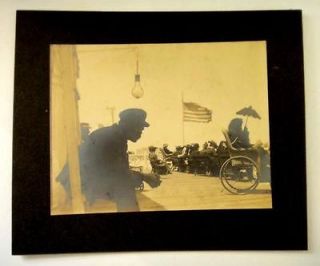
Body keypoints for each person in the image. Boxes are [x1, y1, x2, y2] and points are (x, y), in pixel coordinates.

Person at [57, 108, 161, 212]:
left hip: (84, 178)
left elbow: (120, 170)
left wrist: (143, 177)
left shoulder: (116, 136)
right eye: (139, 128)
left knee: (124, 187)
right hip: (77, 182)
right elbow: (119, 174)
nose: (141, 132)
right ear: (128, 125)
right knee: (125, 189)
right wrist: (145, 177)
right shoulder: (111, 138)